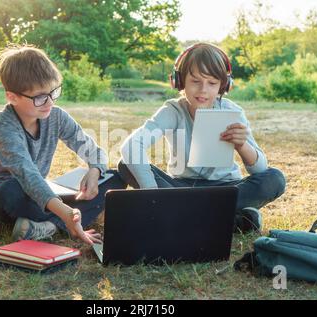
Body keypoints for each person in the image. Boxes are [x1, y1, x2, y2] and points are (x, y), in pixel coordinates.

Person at [118, 43, 286, 233]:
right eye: (195, 81)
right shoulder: (172, 111)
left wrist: (242, 145)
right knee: (125, 165)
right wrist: (153, 195)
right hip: (180, 188)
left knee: (275, 179)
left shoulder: (232, 111)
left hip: (226, 188)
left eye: (212, 83)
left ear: (224, 85)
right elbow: (131, 146)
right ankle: (228, 220)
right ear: (179, 81)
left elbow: (261, 169)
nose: (203, 90)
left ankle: (182, 215)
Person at [0, 44, 126, 245]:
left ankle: (48, 227)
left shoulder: (56, 116)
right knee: (13, 189)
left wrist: (95, 171)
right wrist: (65, 211)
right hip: (2, 203)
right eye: (40, 97)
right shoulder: (1, 128)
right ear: (12, 97)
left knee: (114, 178)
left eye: (53, 92)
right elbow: (28, 176)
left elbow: (93, 150)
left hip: (40, 196)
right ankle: (65, 220)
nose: (50, 102)